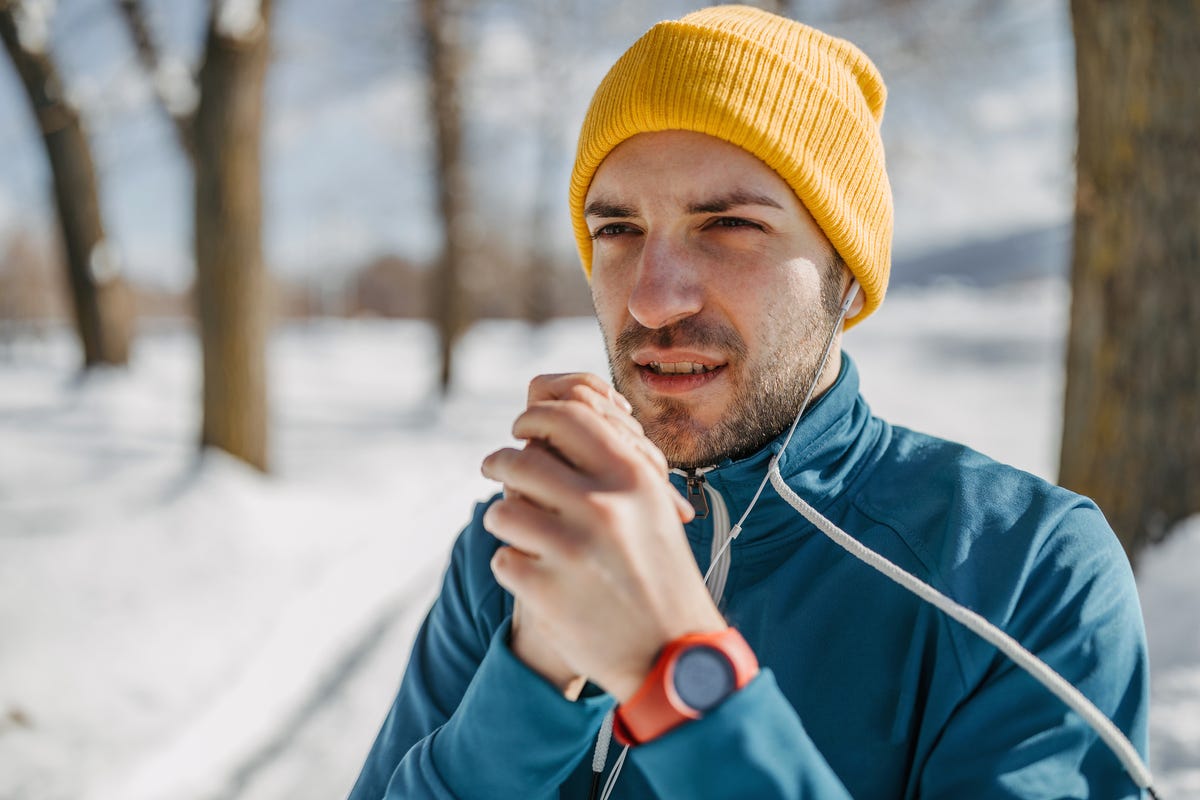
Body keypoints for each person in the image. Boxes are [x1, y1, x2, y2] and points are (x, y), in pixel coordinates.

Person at [349, 6, 1150, 798]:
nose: (653, 300)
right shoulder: (515, 549)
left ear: (846, 274)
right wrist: (529, 687)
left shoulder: (1022, 571)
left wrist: (679, 671)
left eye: (729, 223)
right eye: (618, 230)